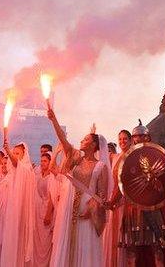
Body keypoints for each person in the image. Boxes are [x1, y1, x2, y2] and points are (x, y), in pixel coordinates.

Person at [46, 106, 110, 267]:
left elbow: (102, 195)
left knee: (85, 246)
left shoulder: (101, 166)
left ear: (94, 145)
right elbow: (63, 140)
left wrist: (92, 209)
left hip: (87, 212)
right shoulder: (76, 158)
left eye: (86, 139)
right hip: (69, 208)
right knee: (67, 243)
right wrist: (54, 120)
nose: (82, 141)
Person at [107, 120, 165, 267]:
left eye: (141, 136)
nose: (138, 139)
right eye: (136, 136)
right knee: (131, 248)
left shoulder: (155, 154)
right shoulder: (127, 158)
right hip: (132, 207)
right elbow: (122, 185)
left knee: (157, 246)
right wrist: (112, 202)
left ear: (148, 138)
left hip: (151, 206)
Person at [1, 140, 36, 267]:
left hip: (21, 215)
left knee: (18, 243)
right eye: (13, 153)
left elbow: (17, 164)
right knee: (9, 243)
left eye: (17, 153)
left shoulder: (27, 170)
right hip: (10, 214)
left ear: (24, 154)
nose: (14, 155)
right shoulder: (10, 174)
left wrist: (8, 151)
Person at [104, 129, 131, 267]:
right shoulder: (115, 157)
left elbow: (124, 182)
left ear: (130, 140)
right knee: (110, 236)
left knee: (122, 236)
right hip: (113, 201)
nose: (122, 141)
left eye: (125, 139)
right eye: (120, 139)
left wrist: (113, 201)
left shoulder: (132, 157)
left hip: (124, 202)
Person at [33, 151, 60, 266]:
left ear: (50, 162)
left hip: (47, 212)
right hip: (37, 211)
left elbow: (52, 196)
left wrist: (48, 213)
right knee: (37, 242)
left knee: (45, 243)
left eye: (45, 161)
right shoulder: (38, 176)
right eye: (41, 161)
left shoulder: (51, 178)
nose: (42, 163)